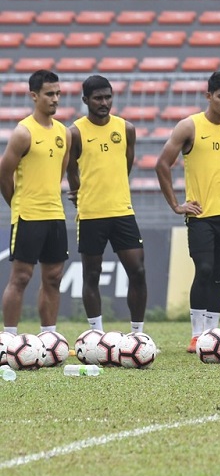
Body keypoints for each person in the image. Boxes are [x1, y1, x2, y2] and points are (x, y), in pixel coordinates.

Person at [155, 71, 220, 353]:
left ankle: (213, 334)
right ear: (208, 96)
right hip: (199, 214)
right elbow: (162, 164)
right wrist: (175, 204)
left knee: (219, 273)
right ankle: (197, 334)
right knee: (204, 268)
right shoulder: (189, 127)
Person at [66, 75, 148, 336]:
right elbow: (71, 169)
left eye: (108, 97)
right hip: (91, 214)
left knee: (137, 271)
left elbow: (126, 166)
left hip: (122, 212)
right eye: (98, 98)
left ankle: (137, 334)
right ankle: (96, 335)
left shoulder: (126, 129)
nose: (104, 102)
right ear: (85, 100)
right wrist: (79, 192)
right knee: (92, 275)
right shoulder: (75, 132)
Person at [0, 70, 70, 336]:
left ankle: (49, 336)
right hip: (28, 215)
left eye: (58, 93)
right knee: (21, 278)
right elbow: (4, 174)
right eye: (49, 94)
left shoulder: (65, 133)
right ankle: (8, 338)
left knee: (53, 278)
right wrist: (17, 203)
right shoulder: (23, 132)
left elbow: (59, 173)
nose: (55, 99)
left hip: (55, 215)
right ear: (34, 96)